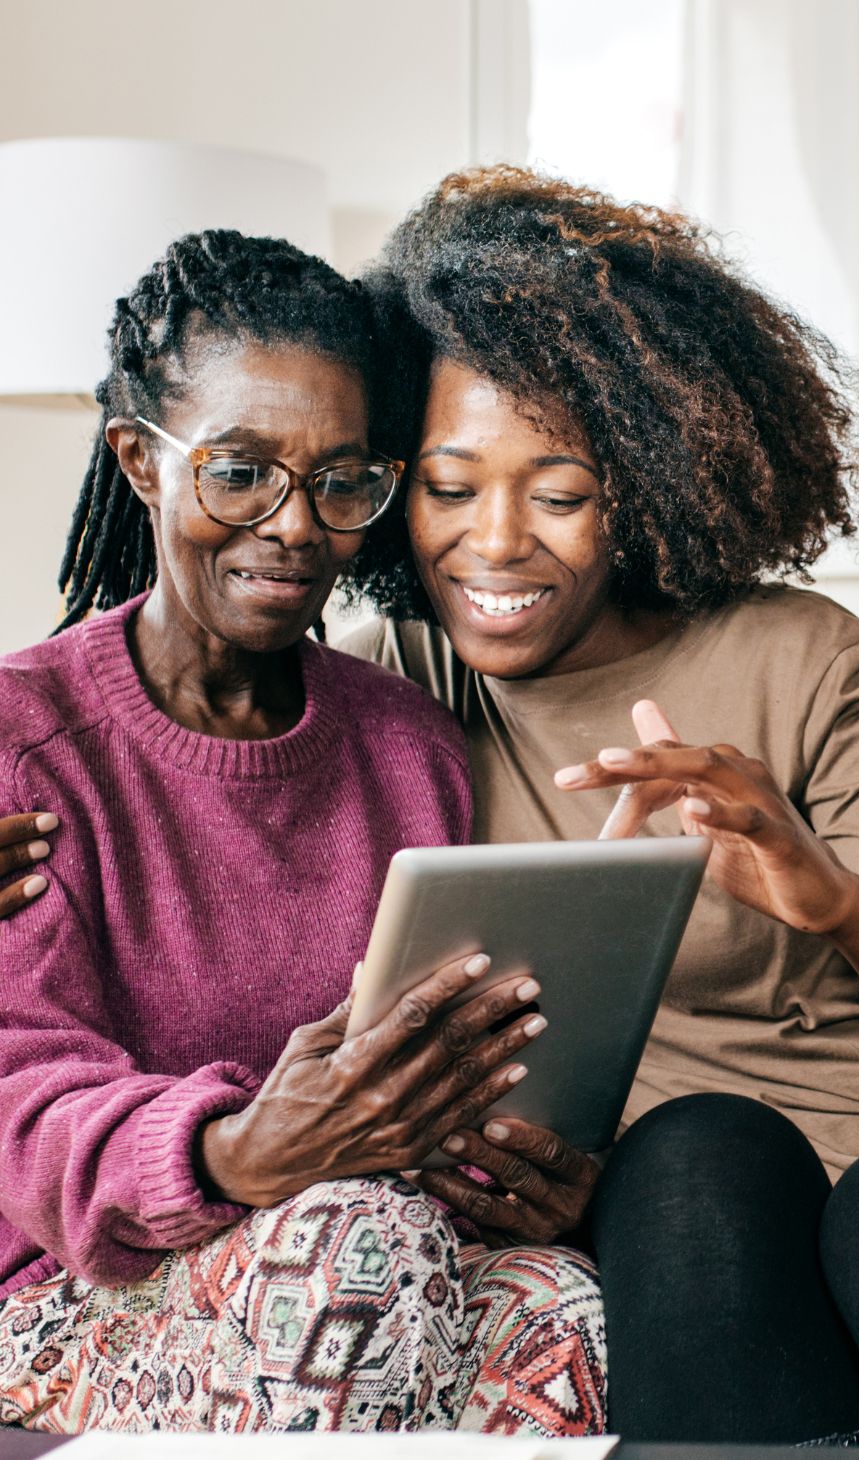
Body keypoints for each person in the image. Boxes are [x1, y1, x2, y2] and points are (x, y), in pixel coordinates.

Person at [323, 167, 859, 1444]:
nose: (497, 543)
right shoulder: (388, 684)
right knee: (691, 1151)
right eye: (450, 487)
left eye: (561, 492)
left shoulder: (803, 659)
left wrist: (838, 897)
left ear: (642, 483)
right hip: (689, 1191)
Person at [0, 228, 605, 1437]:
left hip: (360, 1246)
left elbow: (436, 1054)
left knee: (563, 1302)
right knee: (357, 1241)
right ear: (139, 461)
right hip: (67, 1287)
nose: (293, 524)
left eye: (340, 480)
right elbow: (22, 1097)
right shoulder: (26, 737)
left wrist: (512, 1169)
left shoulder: (407, 740)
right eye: (239, 471)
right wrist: (233, 1148)